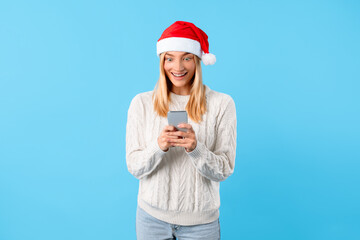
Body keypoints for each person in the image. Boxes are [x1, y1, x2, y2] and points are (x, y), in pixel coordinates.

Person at [126, 21, 237, 240]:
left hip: (201, 224)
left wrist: (197, 149)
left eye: (186, 57)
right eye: (170, 58)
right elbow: (134, 167)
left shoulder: (222, 104)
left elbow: (224, 170)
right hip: (151, 219)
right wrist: (158, 147)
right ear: (162, 61)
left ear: (197, 61)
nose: (178, 67)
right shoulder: (141, 103)